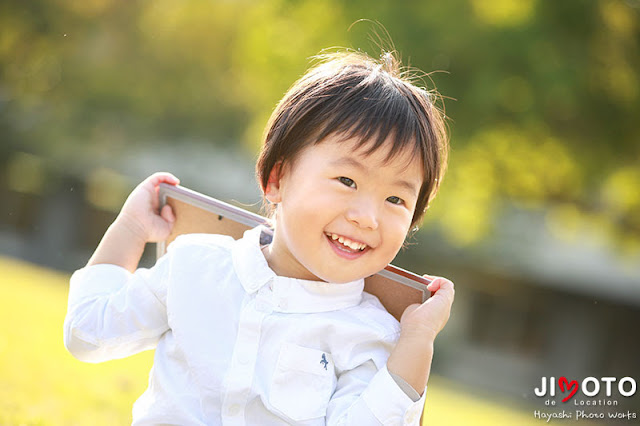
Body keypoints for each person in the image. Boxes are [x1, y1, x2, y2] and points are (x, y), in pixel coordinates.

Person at [64, 49, 455, 425]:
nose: (367, 217)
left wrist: (417, 341)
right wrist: (132, 229)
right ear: (277, 179)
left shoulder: (372, 335)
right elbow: (88, 334)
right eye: (347, 180)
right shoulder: (194, 266)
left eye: (395, 199)